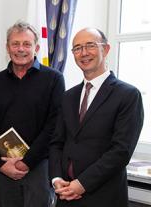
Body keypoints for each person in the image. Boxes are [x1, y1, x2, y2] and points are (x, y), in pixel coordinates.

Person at [49, 28, 144, 207]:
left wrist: (82, 184)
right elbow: (57, 142)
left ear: (106, 49)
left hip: (104, 196)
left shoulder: (128, 95)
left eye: (90, 46)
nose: (83, 53)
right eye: (77, 48)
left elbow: (121, 151)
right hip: (66, 195)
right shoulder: (68, 96)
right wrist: (56, 178)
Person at [0, 21, 65, 207]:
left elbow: (54, 125)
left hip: (39, 166)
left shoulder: (53, 79)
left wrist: (26, 162)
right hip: (3, 167)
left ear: (36, 47)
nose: (21, 49)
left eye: (27, 44)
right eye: (15, 44)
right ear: (7, 47)